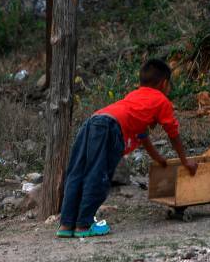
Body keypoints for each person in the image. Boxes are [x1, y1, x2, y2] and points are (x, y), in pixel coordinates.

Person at [56, 59, 197, 238]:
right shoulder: (161, 100)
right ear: (164, 84)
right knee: (97, 175)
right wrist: (185, 161)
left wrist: (158, 158)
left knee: (77, 172)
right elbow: (173, 134)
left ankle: (66, 224)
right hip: (110, 127)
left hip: (92, 121)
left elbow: (143, 135)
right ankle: (84, 225)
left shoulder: (135, 96)